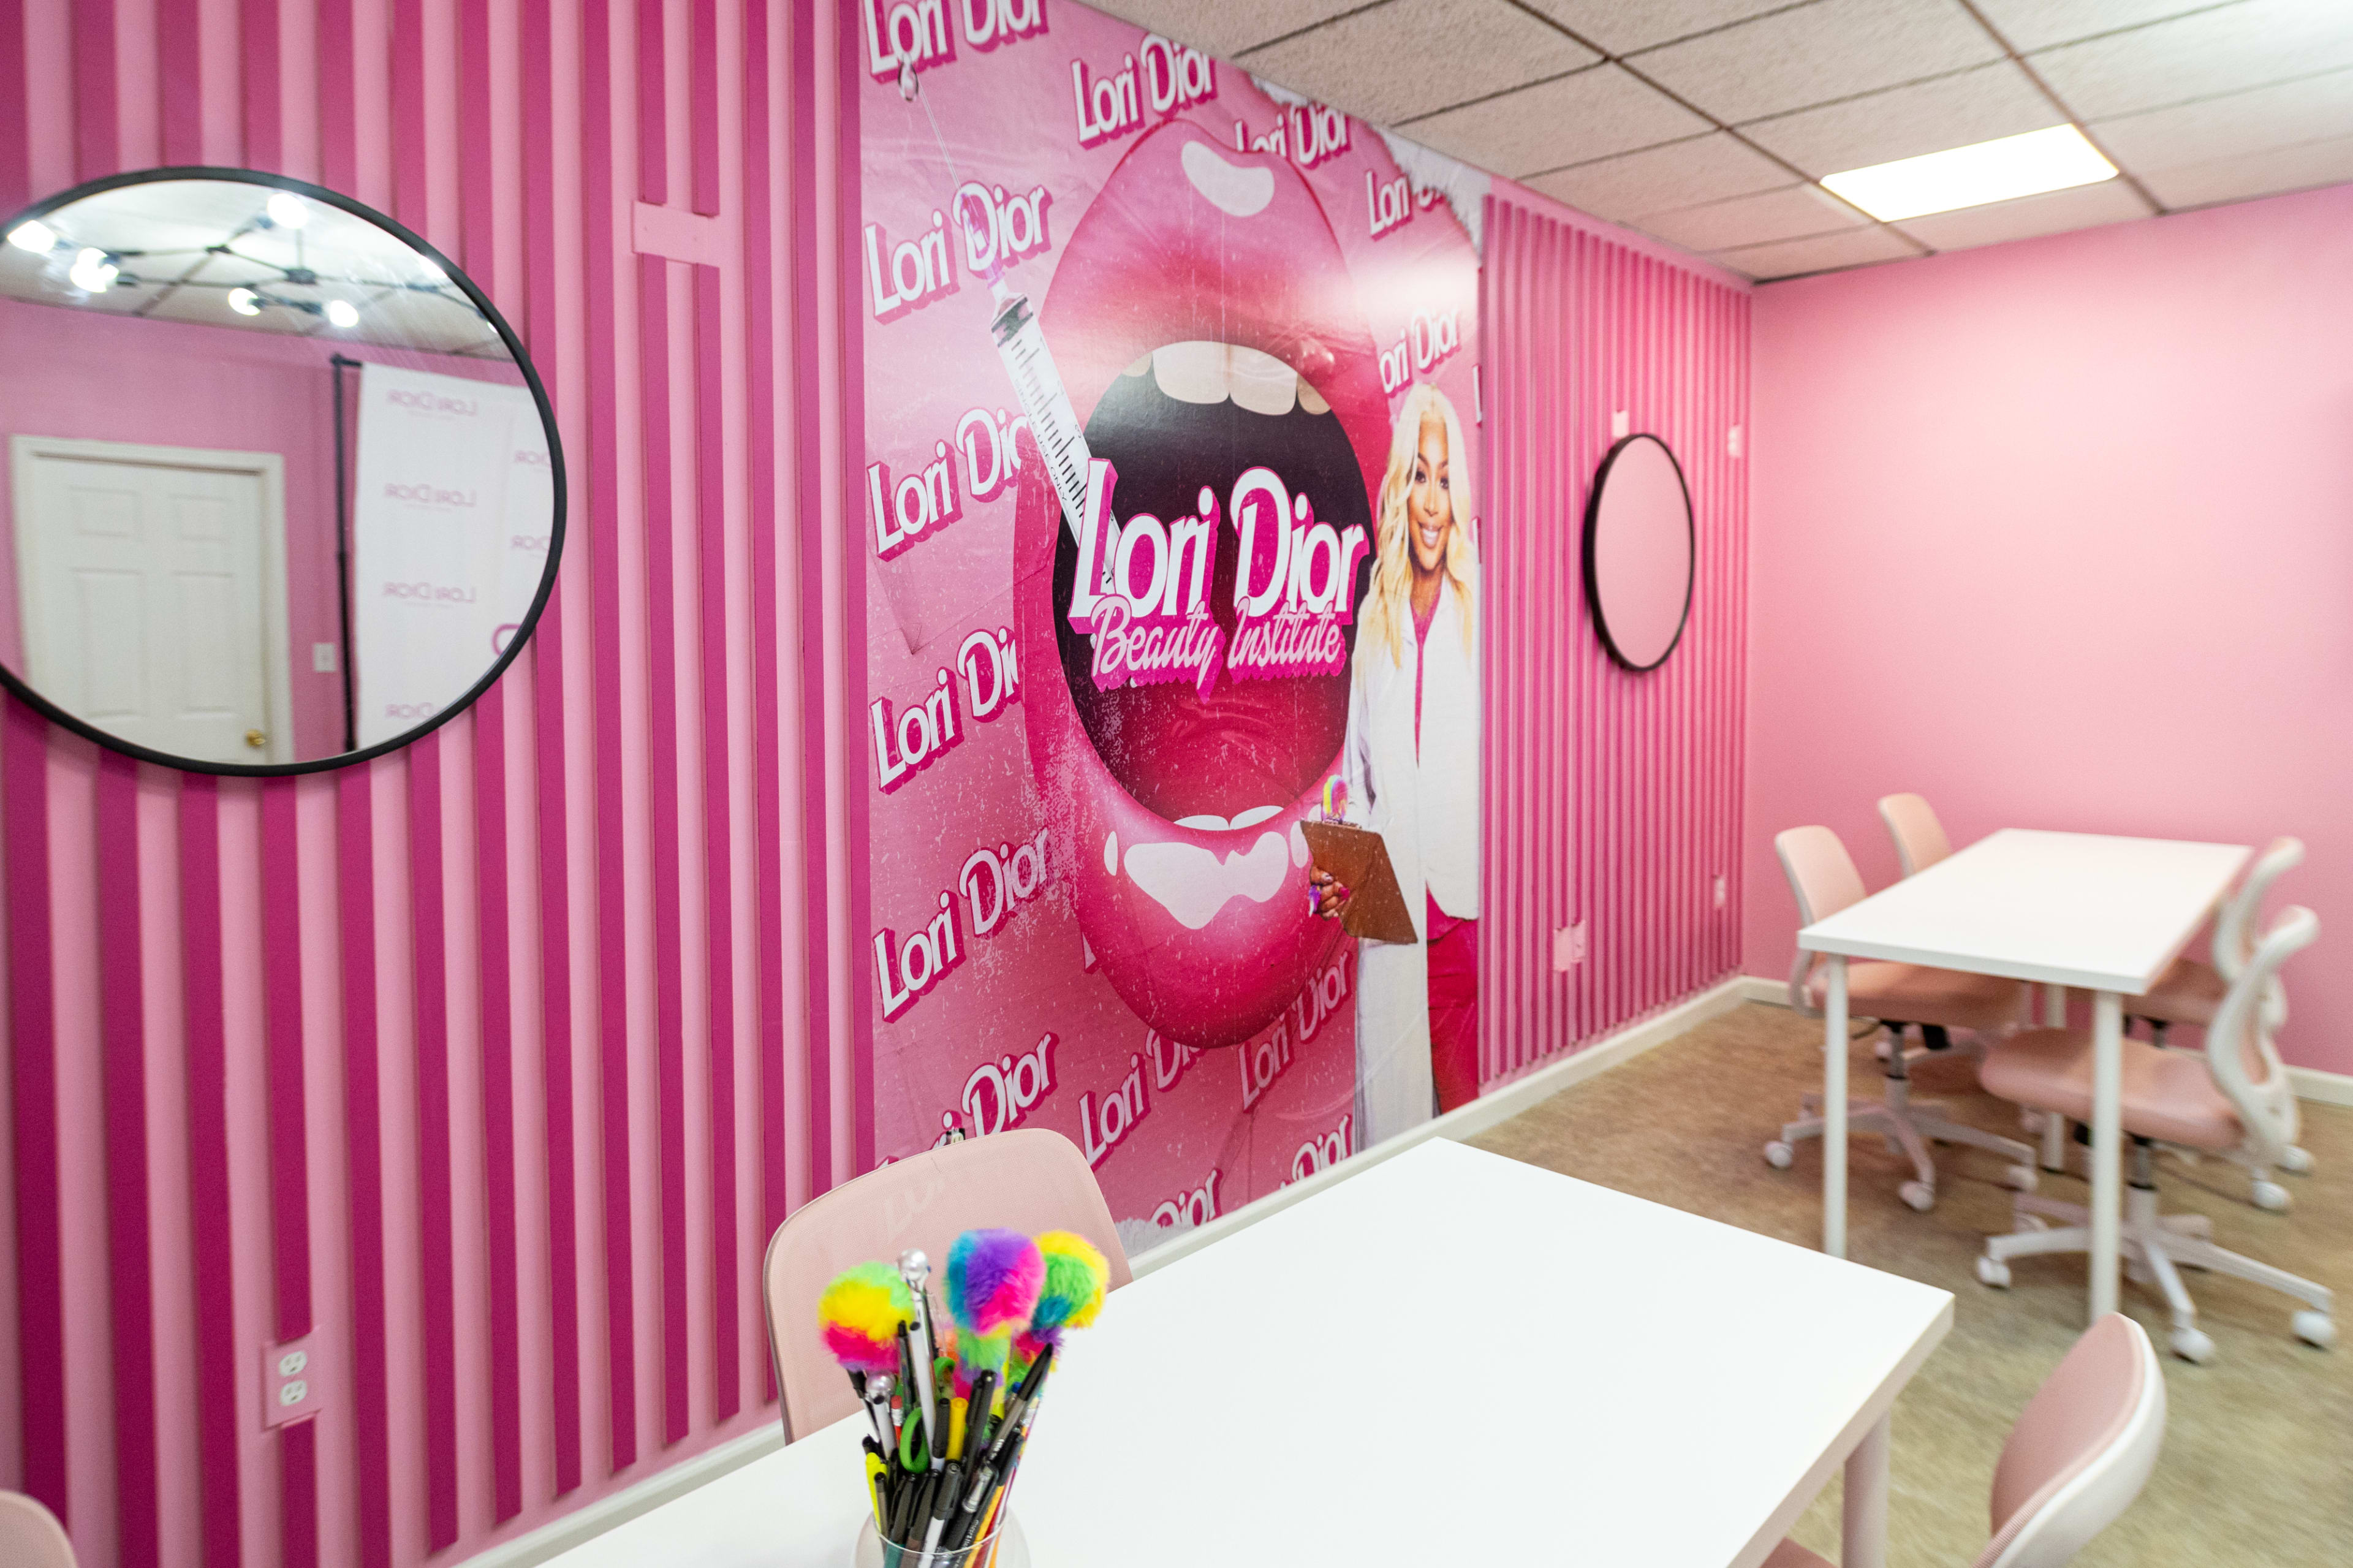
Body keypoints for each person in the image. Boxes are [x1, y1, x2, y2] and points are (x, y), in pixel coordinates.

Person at [1310, 382, 1479, 1148]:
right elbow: (1355, 777)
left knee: (1472, 1133)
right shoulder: (1373, 624)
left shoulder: (1485, 619)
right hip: (1391, 918)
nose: (1433, 500)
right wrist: (1336, 866)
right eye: (1419, 475)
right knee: (1392, 1140)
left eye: (1445, 478)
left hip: (1465, 921)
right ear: (1399, 491)